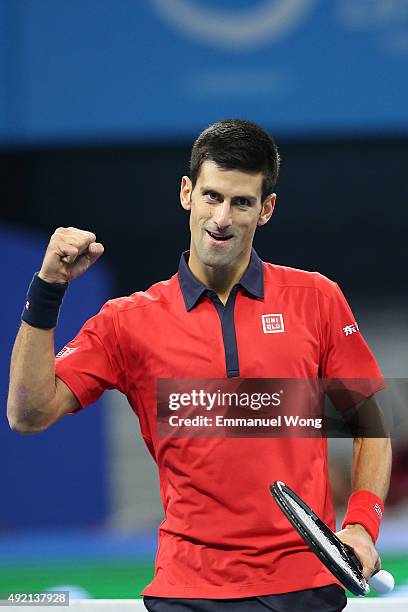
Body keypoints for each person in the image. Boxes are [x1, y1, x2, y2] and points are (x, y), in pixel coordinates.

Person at [7, 120, 391, 612]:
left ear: (266, 209)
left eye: (242, 202)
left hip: (304, 587)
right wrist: (47, 288)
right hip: (186, 591)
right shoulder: (128, 321)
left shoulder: (316, 298)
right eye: (211, 196)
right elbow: (27, 413)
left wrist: (361, 521)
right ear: (187, 193)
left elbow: (372, 419)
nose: (222, 217)